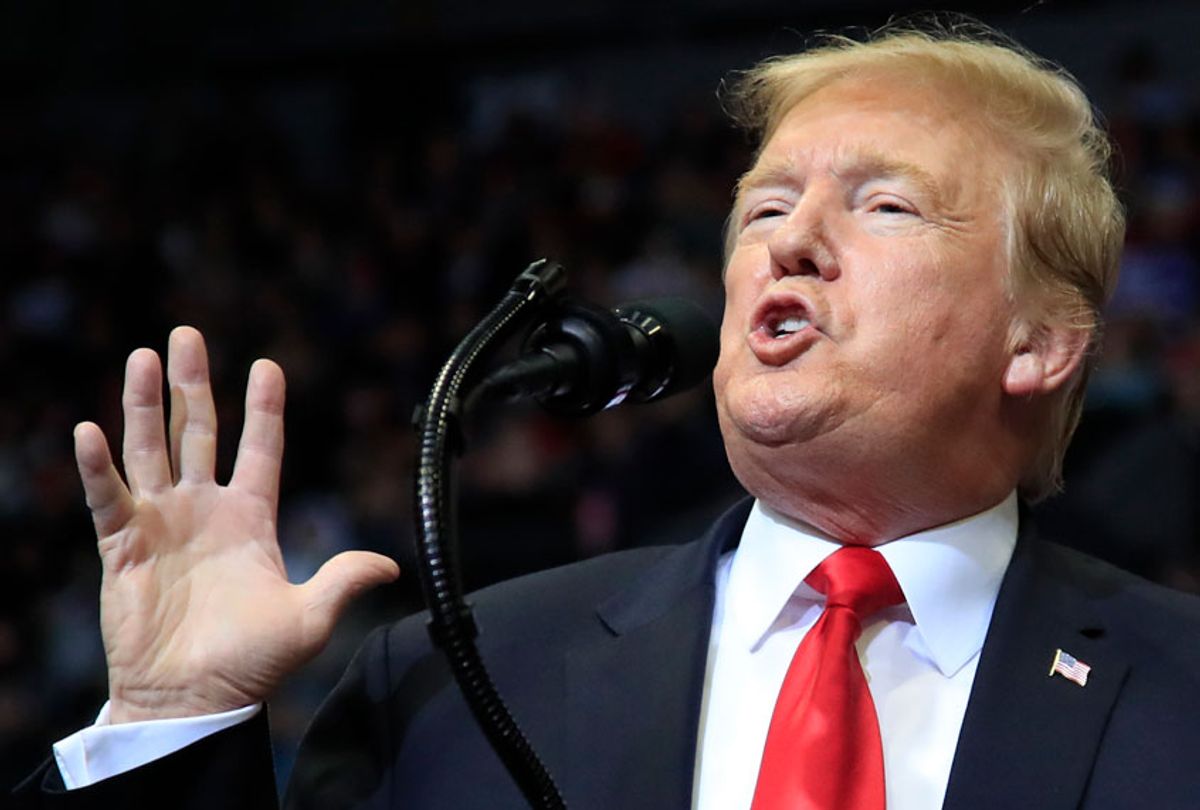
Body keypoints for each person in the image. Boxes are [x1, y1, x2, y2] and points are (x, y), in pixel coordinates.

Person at [14, 21, 1200, 810]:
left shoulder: (1180, 690)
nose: (789, 240)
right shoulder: (457, 680)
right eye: (763, 207)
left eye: (884, 205)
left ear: (1038, 343)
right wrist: (165, 734)